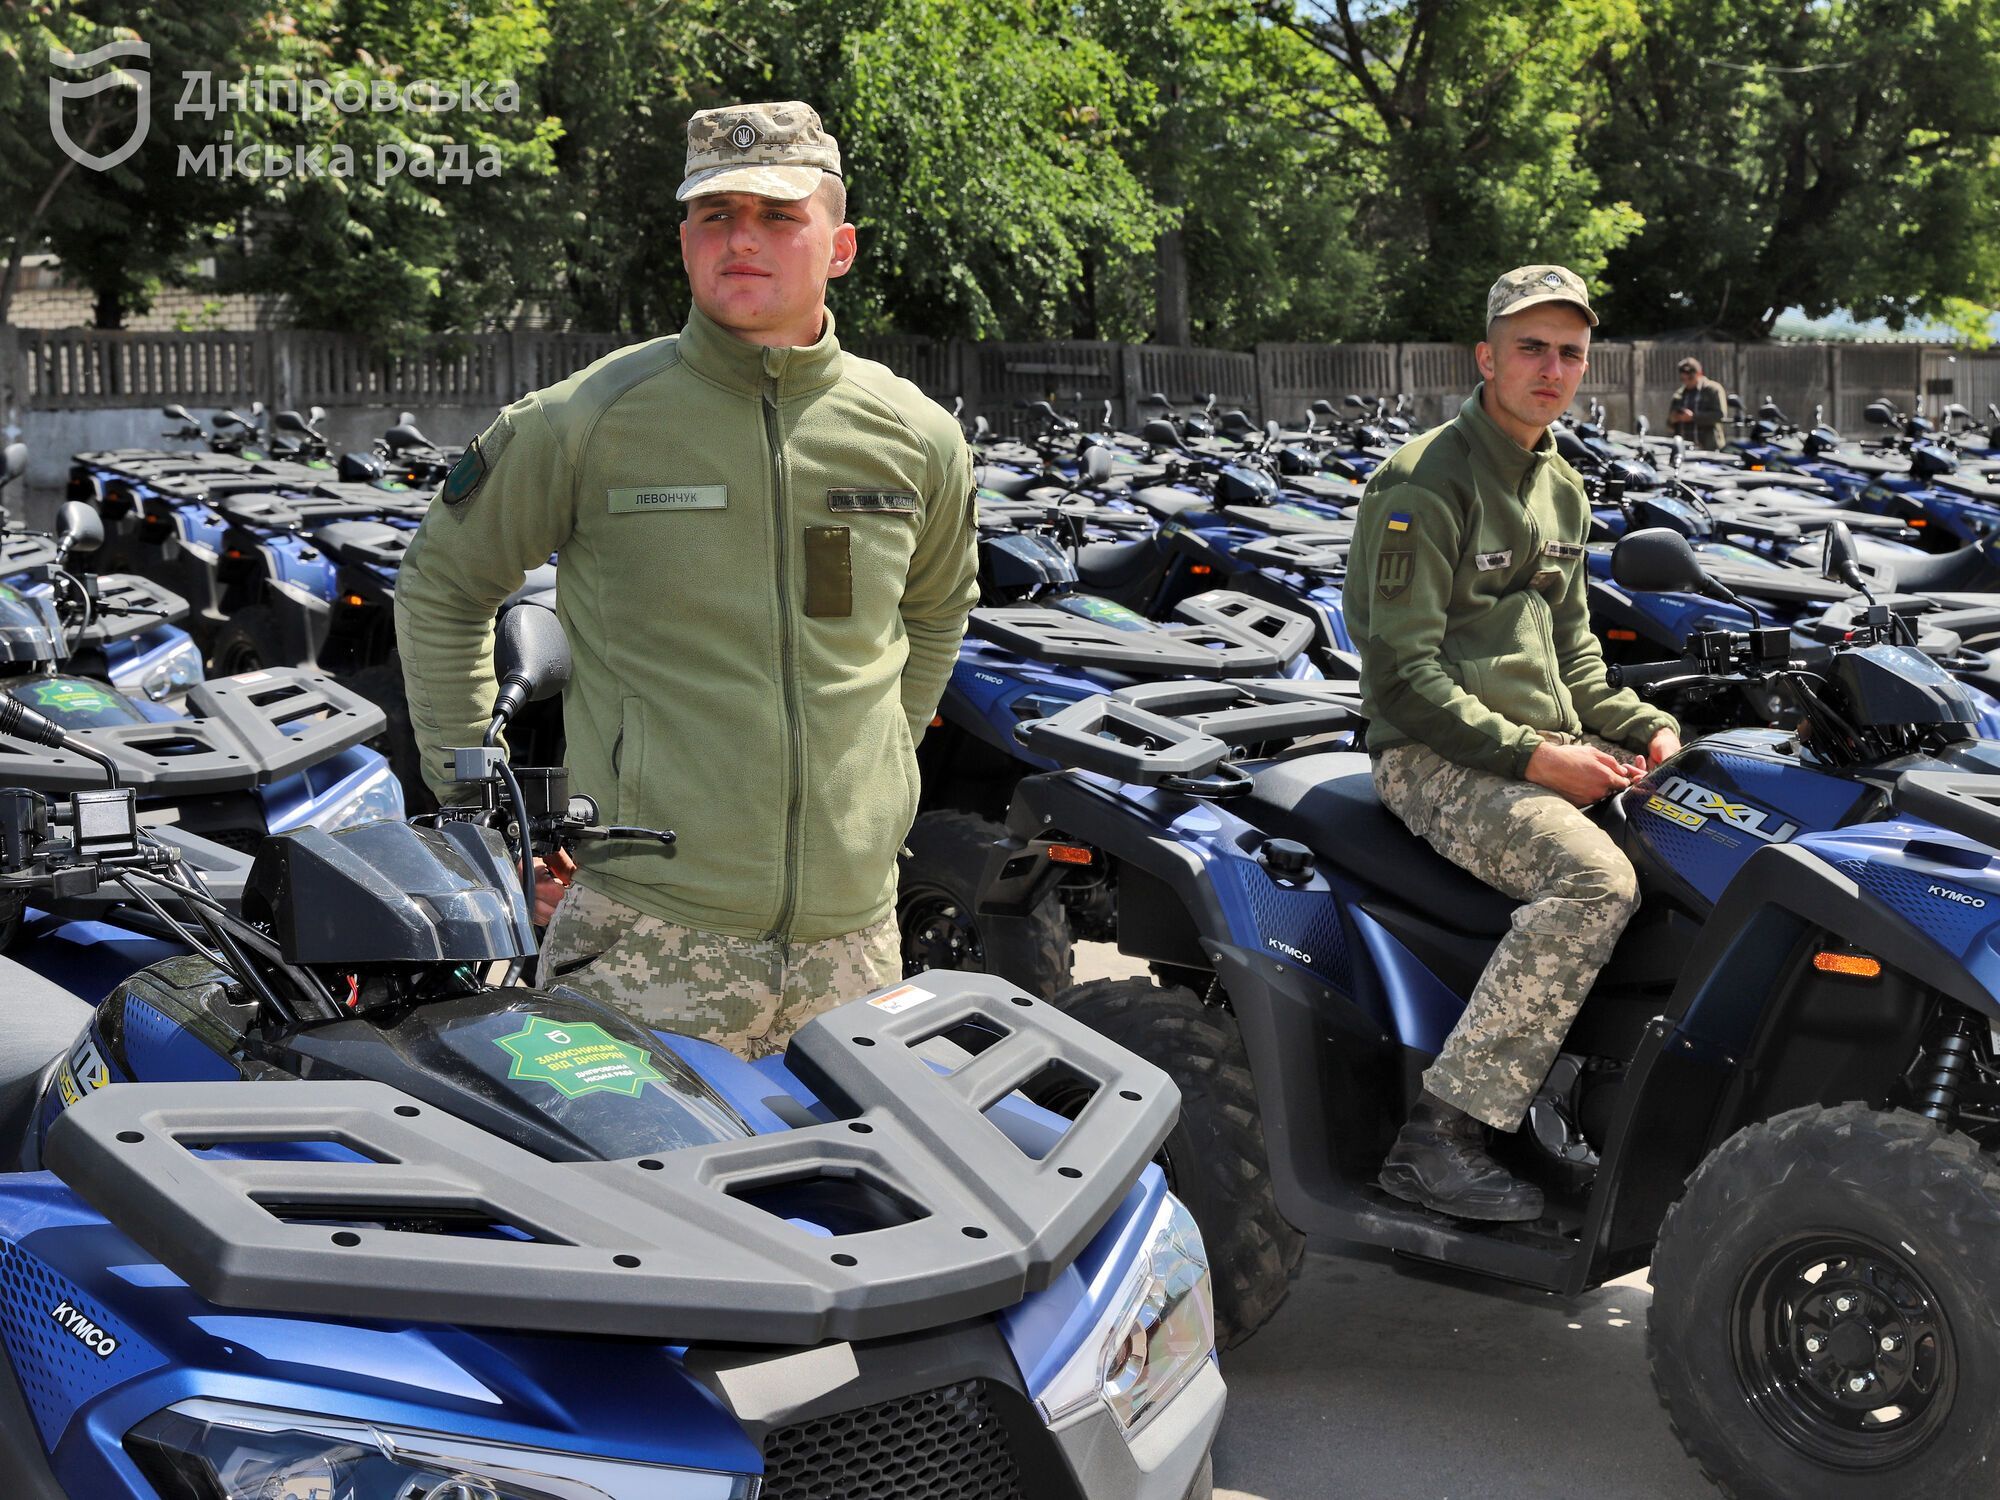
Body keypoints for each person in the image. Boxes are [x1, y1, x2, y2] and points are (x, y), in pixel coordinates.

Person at [394, 101, 979, 1057]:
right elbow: (442, 588)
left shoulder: (916, 434)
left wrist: (883, 774)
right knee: (620, 1210)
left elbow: (937, 611)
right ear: (684, 241)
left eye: (778, 215)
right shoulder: (584, 419)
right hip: (644, 944)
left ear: (840, 246)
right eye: (715, 215)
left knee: (851, 1207)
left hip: (857, 951)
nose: (741, 239)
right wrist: (479, 810)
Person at [1345, 265, 1682, 1221]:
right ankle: (1442, 1135)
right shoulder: (1423, 483)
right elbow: (1401, 676)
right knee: (1595, 881)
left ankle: (1557, 1108)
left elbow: (1575, 650)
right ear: (1485, 357)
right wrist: (1539, 759)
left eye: (1569, 353)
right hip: (1431, 757)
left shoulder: (1561, 488)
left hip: (1542, 744)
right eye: (1531, 348)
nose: (1552, 368)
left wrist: (1647, 727)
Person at [1667, 357, 1728, 451]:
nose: (1687, 382)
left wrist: (1693, 417)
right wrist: (1674, 418)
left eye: (1690, 378)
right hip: (1685, 449)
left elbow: (1719, 415)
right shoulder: (1679, 395)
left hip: (1708, 449)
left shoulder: (1712, 390)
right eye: (1683, 379)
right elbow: (1669, 423)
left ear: (1699, 374)